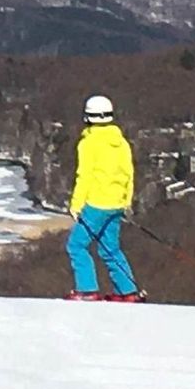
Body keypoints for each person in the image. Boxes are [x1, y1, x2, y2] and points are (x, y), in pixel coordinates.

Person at [65, 94, 145, 302]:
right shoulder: (121, 143)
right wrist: (126, 201)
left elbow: (85, 175)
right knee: (110, 248)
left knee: (76, 245)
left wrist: (76, 204)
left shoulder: (89, 143)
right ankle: (127, 291)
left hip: (96, 203)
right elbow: (129, 173)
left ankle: (87, 289)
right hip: (116, 204)